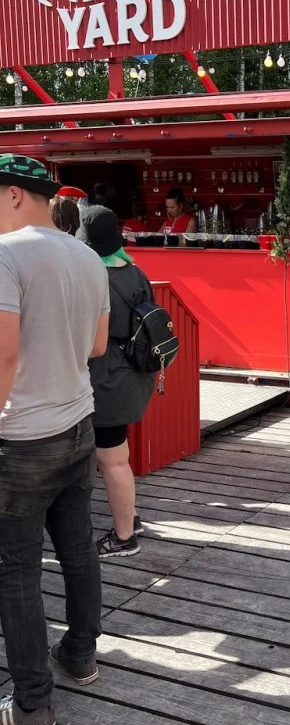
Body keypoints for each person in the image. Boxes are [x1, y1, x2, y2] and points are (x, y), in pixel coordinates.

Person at [0, 155, 109, 725]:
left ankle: (33, 705)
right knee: (78, 548)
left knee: (16, 570)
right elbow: (96, 346)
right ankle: (81, 656)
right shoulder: (87, 255)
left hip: (22, 436)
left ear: (15, 194)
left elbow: (4, 355)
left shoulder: (6, 254)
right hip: (78, 423)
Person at [77, 207, 157, 558]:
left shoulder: (95, 278)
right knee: (118, 455)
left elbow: (90, 338)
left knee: (111, 459)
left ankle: (124, 537)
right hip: (135, 373)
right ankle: (131, 518)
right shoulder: (136, 272)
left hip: (107, 377)